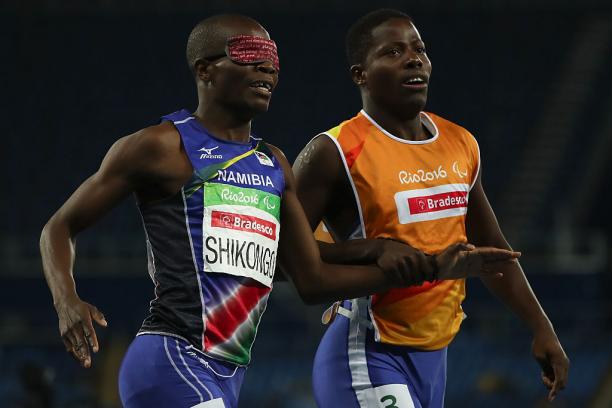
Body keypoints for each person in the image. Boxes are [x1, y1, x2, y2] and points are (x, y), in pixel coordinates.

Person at [39, 13, 519, 408]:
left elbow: (310, 278)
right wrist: (66, 299)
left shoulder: (273, 164)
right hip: (172, 357)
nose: (266, 70)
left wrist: (420, 263)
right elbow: (60, 227)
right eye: (250, 57)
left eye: (272, 61)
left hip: (229, 371)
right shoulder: (161, 147)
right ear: (205, 70)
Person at [292, 9, 570, 408]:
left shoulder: (460, 143)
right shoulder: (334, 152)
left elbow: (491, 247)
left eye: (419, 49)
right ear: (360, 75)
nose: (413, 58)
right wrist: (372, 250)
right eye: (393, 51)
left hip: (435, 359)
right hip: (367, 353)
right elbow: (283, 257)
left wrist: (542, 328)